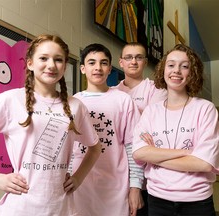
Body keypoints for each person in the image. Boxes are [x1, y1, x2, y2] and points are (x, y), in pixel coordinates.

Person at [0, 34, 101, 216]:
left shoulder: (76, 106)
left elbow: (95, 148)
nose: (51, 65)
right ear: (30, 63)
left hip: (62, 208)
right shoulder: (10, 99)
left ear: (64, 66)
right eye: (43, 58)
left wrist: (78, 178)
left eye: (58, 60)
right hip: (20, 207)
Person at [132, 43, 219, 216]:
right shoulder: (151, 111)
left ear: (192, 72)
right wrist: (185, 152)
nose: (176, 71)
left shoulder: (205, 109)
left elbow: (203, 163)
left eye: (184, 66)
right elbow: (139, 153)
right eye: (171, 65)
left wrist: (155, 155)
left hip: (197, 203)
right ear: (163, 70)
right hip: (157, 201)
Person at [71, 43, 144, 216]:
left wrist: (135, 186)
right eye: (91, 62)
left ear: (110, 68)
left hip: (116, 188)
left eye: (103, 63)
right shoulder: (73, 102)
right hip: (79, 186)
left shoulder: (124, 101)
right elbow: (68, 149)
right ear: (82, 68)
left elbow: (133, 146)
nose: (98, 68)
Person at [114, 42, 167, 215]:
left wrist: (123, 115)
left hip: (148, 177)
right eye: (128, 57)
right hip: (118, 174)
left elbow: (151, 126)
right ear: (121, 62)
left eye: (139, 57)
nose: (133, 61)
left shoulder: (157, 90)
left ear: (145, 62)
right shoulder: (113, 91)